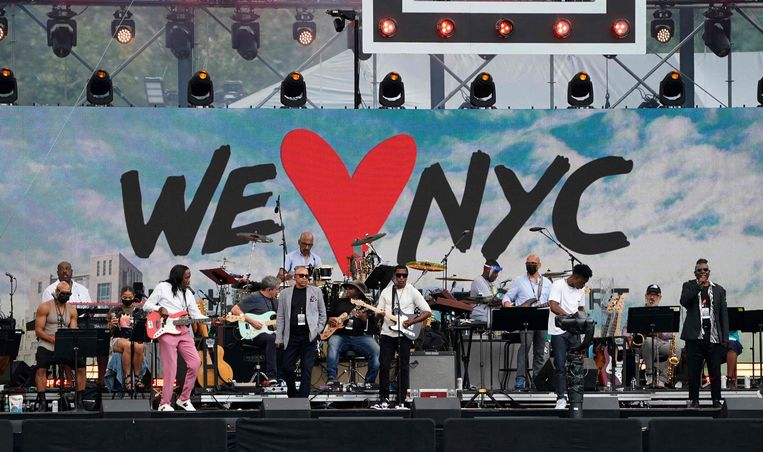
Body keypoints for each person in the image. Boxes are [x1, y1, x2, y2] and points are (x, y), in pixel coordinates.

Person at [143, 265, 208, 411]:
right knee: (171, 368)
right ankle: (164, 403)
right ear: (178, 276)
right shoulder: (163, 287)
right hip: (166, 330)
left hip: (183, 330)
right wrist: (159, 309)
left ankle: (184, 399)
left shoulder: (188, 294)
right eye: (186, 277)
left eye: (189, 277)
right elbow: (147, 305)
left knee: (195, 363)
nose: (189, 280)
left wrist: (213, 319)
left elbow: (196, 315)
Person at [374, 264, 432, 408]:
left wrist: (411, 321)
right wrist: (379, 315)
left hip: (404, 335)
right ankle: (384, 398)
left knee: (403, 367)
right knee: (385, 365)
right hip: (387, 333)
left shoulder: (411, 291)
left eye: (404, 275)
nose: (401, 278)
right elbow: (376, 316)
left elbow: (427, 312)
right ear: (393, 276)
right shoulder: (385, 293)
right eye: (398, 275)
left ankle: (401, 399)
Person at [680, 258, 728, 409]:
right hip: (695, 336)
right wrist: (697, 286)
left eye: (705, 269)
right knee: (694, 371)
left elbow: (723, 315)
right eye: (699, 270)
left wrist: (724, 338)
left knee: (715, 370)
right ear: (695, 273)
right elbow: (684, 301)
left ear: (709, 272)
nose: (702, 272)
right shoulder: (689, 286)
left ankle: (716, 400)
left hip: (713, 337)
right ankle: (694, 400)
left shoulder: (719, 290)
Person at [33, 281, 87, 411]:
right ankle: (42, 401)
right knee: (41, 369)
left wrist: (69, 341)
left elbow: (73, 330)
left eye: (68, 294)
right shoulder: (45, 307)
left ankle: (80, 401)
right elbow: (38, 330)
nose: (65, 296)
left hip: (65, 345)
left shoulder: (72, 310)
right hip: (47, 343)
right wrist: (52, 340)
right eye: (63, 293)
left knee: (81, 368)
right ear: (56, 292)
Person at [502, 254, 552, 390]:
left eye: (533, 263)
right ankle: (520, 379)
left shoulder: (547, 283)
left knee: (540, 351)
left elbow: (552, 301)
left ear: (539, 265)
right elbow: (507, 296)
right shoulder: (519, 281)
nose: (530, 265)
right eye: (528, 263)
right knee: (525, 347)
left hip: (541, 318)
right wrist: (507, 305)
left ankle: (538, 380)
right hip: (524, 319)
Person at [275, 266, 326, 398]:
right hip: (291, 335)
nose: (305, 278)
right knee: (287, 367)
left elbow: (323, 314)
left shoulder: (316, 292)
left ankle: (303, 398)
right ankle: (292, 394)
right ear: (295, 277)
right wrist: (278, 338)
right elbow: (280, 317)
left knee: (306, 368)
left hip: (308, 336)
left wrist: (317, 330)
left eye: (307, 276)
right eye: (301, 275)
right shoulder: (285, 293)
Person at [548, 264, 592, 410]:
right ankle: (561, 397)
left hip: (574, 331)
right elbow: (553, 305)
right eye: (583, 282)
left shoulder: (580, 290)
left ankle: (576, 396)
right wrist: (568, 318)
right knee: (560, 365)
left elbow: (580, 309)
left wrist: (583, 320)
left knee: (576, 364)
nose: (583, 285)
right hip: (558, 330)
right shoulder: (558, 285)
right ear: (575, 277)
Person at [325, 280, 380, 388]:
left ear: (358, 292)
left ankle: (369, 382)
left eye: (351, 288)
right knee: (333, 344)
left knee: (376, 350)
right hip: (340, 335)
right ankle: (332, 378)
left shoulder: (367, 305)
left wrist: (365, 319)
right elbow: (326, 317)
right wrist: (329, 319)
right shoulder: (338, 302)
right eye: (347, 288)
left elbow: (373, 328)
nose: (347, 290)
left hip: (359, 337)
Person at [230, 275, 281, 385]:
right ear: (269, 290)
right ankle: (272, 376)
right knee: (272, 339)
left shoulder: (275, 302)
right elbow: (235, 309)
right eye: (277, 289)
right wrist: (251, 321)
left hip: (268, 331)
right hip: (252, 333)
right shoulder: (254, 297)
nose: (279, 291)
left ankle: (284, 375)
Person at [107, 286, 146, 391]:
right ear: (121, 297)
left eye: (130, 297)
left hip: (134, 338)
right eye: (125, 297)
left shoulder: (139, 312)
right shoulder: (115, 311)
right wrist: (111, 325)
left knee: (140, 346)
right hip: (118, 339)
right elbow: (108, 331)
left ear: (134, 297)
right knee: (128, 345)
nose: (127, 300)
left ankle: (137, 378)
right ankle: (127, 378)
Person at [635, 284, 674, 388]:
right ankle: (650, 375)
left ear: (659, 298)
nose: (652, 297)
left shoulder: (664, 313)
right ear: (645, 296)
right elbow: (626, 330)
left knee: (676, 350)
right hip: (643, 344)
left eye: (655, 295)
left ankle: (662, 380)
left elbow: (671, 333)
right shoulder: (638, 312)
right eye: (650, 295)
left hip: (660, 342)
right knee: (647, 341)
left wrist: (661, 333)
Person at [470, 259, 502, 324]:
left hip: (489, 315)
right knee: (499, 323)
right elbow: (491, 301)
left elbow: (497, 299)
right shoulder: (478, 281)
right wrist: (505, 302)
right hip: (479, 315)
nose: (497, 275)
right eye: (495, 272)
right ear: (488, 270)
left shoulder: (492, 284)